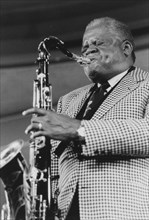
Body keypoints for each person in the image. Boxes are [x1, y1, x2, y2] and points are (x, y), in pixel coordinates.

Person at [23, 17, 149, 220]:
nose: (88, 50)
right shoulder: (68, 101)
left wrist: (80, 129)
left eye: (98, 43)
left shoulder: (146, 85)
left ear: (126, 48)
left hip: (121, 212)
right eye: (85, 47)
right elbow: (55, 167)